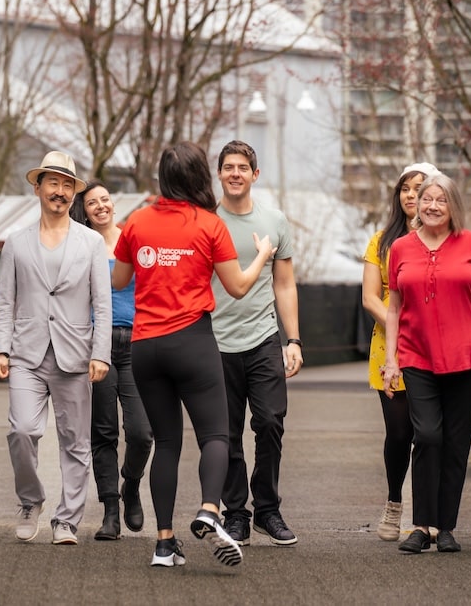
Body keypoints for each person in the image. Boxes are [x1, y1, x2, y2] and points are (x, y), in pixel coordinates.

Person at [112, 141, 275, 569]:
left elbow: (118, 279)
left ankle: (164, 544)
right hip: (193, 342)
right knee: (217, 436)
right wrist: (261, 256)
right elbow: (238, 287)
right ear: (201, 177)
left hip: (145, 346)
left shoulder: (137, 221)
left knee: (165, 443)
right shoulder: (209, 224)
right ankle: (209, 509)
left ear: (163, 177)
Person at [381, 174, 471, 554]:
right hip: (417, 356)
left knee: (456, 443)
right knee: (427, 436)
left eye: (441, 200)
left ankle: (446, 526)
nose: (432, 205)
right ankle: (421, 525)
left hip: (465, 358)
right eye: (426, 199)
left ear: (453, 205)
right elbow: (394, 307)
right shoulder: (402, 248)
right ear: (418, 205)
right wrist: (391, 360)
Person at [0, 150, 112, 546]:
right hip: (26, 354)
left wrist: (100, 352)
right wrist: (0, 350)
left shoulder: (92, 242)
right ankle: (30, 502)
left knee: (75, 442)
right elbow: (4, 301)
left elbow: (101, 303)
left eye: (66, 185)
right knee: (22, 430)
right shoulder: (16, 243)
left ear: (73, 193)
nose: (59, 192)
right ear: (38, 187)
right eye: (52, 183)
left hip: (75, 355)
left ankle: (67, 521)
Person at [210, 140, 302, 547]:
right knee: (226, 433)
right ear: (219, 174)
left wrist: (293, 339)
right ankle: (236, 515)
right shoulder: (206, 221)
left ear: (254, 174)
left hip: (263, 338)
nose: (235, 173)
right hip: (214, 343)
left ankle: (267, 509)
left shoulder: (275, 220)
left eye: (242, 167)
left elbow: (284, 284)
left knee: (269, 422)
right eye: (228, 167)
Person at [361, 161, 440, 542]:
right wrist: (400, 324)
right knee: (399, 432)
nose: (411, 195)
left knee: (429, 432)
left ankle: (430, 511)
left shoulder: (444, 240)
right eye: (405, 189)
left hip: (433, 346)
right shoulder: (381, 242)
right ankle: (394, 502)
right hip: (388, 345)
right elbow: (370, 297)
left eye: (419, 187)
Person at [70, 181, 153, 541]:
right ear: (85, 211)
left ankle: (131, 484)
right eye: (92, 203)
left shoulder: (132, 239)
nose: (100, 206)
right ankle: (110, 513)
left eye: (105, 199)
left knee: (141, 432)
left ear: (113, 205)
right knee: (102, 432)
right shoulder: (81, 246)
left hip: (136, 344)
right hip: (96, 346)